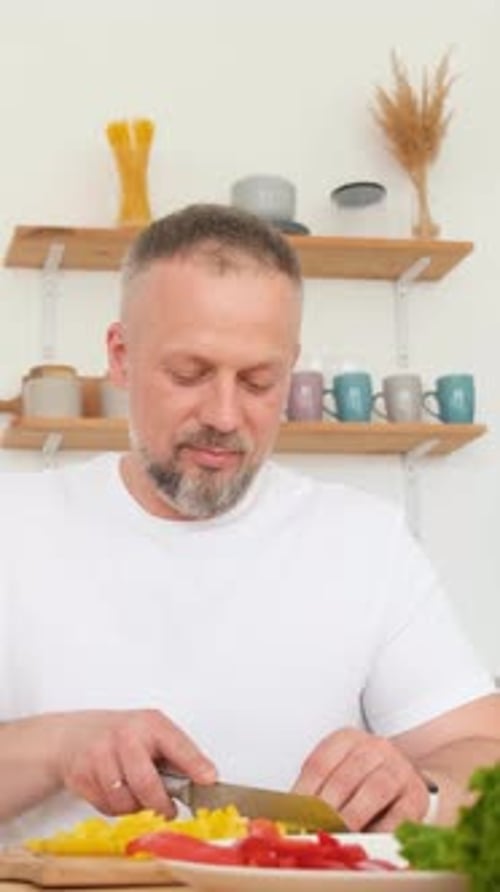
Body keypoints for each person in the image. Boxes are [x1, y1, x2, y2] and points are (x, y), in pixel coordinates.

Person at [0, 203, 499, 846]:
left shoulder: (365, 543)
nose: (225, 414)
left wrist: (423, 792)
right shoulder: (15, 525)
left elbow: (481, 751)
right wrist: (57, 747)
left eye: (260, 382)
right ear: (121, 358)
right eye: (190, 373)